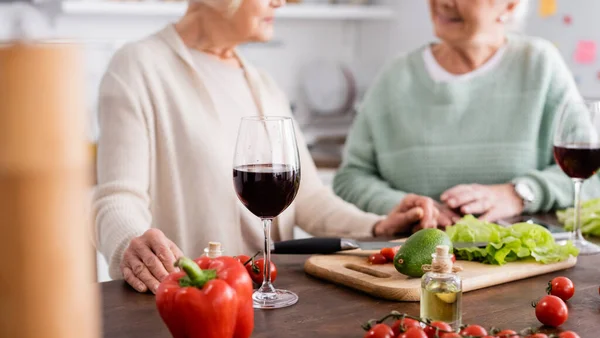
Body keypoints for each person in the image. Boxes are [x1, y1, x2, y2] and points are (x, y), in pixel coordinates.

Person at [92, 0, 439, 294]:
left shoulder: (262, 84)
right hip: (190, 303)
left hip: (271, 299)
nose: (282, 1)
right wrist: (131, 244)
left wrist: (378, 227)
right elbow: (117, 198)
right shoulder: (138, 68)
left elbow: (308, 199)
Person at [333, 0, 600, 226]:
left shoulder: (540, 65)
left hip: (521, 266)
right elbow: (350, 178)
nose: (444, 3)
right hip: (411, 264)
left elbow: (592, 175)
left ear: (510, 4)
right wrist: (405, 208)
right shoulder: (395, 77)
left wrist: (519, 193)